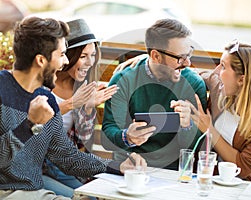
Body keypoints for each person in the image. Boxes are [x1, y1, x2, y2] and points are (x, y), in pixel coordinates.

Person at [0, 16, 146, 200]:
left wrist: (118, 166)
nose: (65, 62)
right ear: (40, 60)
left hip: (34, 191)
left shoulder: (46, 100)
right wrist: (31, 125)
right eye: (61, 55)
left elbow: (67, 156)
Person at [101, 19, 207, 170]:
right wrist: (127, 137)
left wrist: (186, 126)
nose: (187, 63)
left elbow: (196, 146)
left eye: (189, 54)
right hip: (131, 167)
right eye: (180, 58)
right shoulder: (123, 80)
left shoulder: (193, 84)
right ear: (156, 56)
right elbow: (108, 135)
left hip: (173, 171)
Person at [187, 40, 251, 180]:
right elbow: (196, 75)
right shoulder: (220, 87)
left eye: (223, 66)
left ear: (241, 80)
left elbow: (243, 167)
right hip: (215, 180)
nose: (216, 71)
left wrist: (210, 130)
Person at [42, 18, 118, 198]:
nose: (89, 62)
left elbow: (83, 140)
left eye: (93, 55)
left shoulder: (81, 86)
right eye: (83, 56)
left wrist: (89, 108)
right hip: (41, 165)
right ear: (67, 56)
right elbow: (32, 126)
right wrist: (70, 104)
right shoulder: (42, 85)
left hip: (64, 164)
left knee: (93, 195)